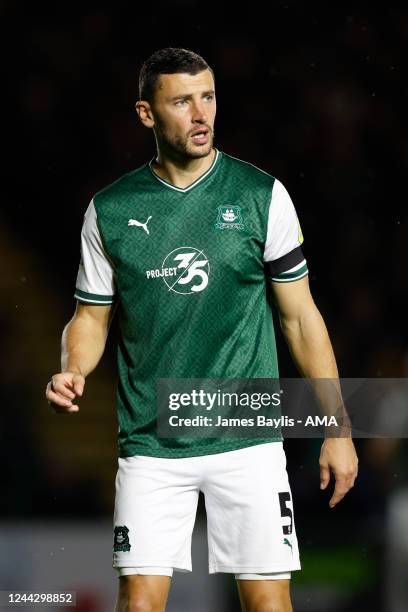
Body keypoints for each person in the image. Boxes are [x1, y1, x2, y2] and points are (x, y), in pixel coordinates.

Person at [46, 47, 358, 612]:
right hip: (152, 440)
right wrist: (72, 368)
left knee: (268, 603)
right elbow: (90, 318)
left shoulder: (262, 196)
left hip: (248, 435)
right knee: (139, 601)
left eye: (208, 97)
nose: (201, 114)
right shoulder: (110, 211)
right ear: (147, 114)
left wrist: (337, 428)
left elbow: (301, 318)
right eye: (182, 100)